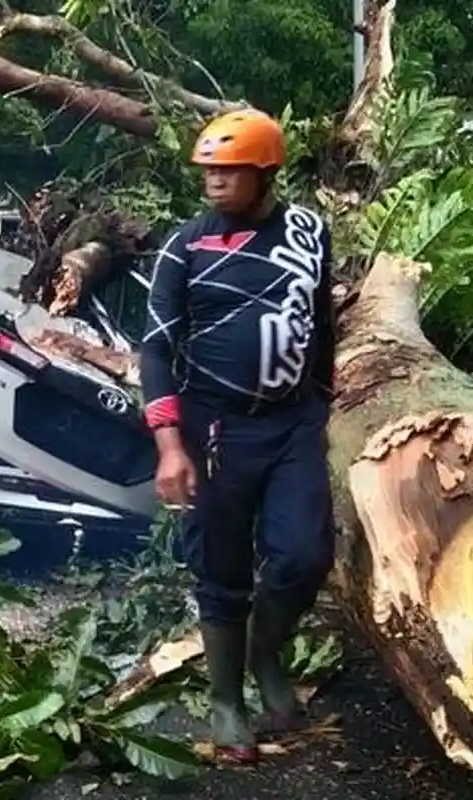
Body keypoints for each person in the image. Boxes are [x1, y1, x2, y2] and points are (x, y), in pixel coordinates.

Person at [140, 109, 336, 764]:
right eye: (208, 171)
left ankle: (265, 654)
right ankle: (227, 705)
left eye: (229, 171)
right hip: (215, 428)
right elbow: (156, 350)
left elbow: (322, 320)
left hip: (293, 422)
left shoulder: (308, 231)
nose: (215, 182)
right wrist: (169, 444)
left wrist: (325, 401)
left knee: (304, 556)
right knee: (221, 570)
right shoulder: (185, 248)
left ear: (264, 171)